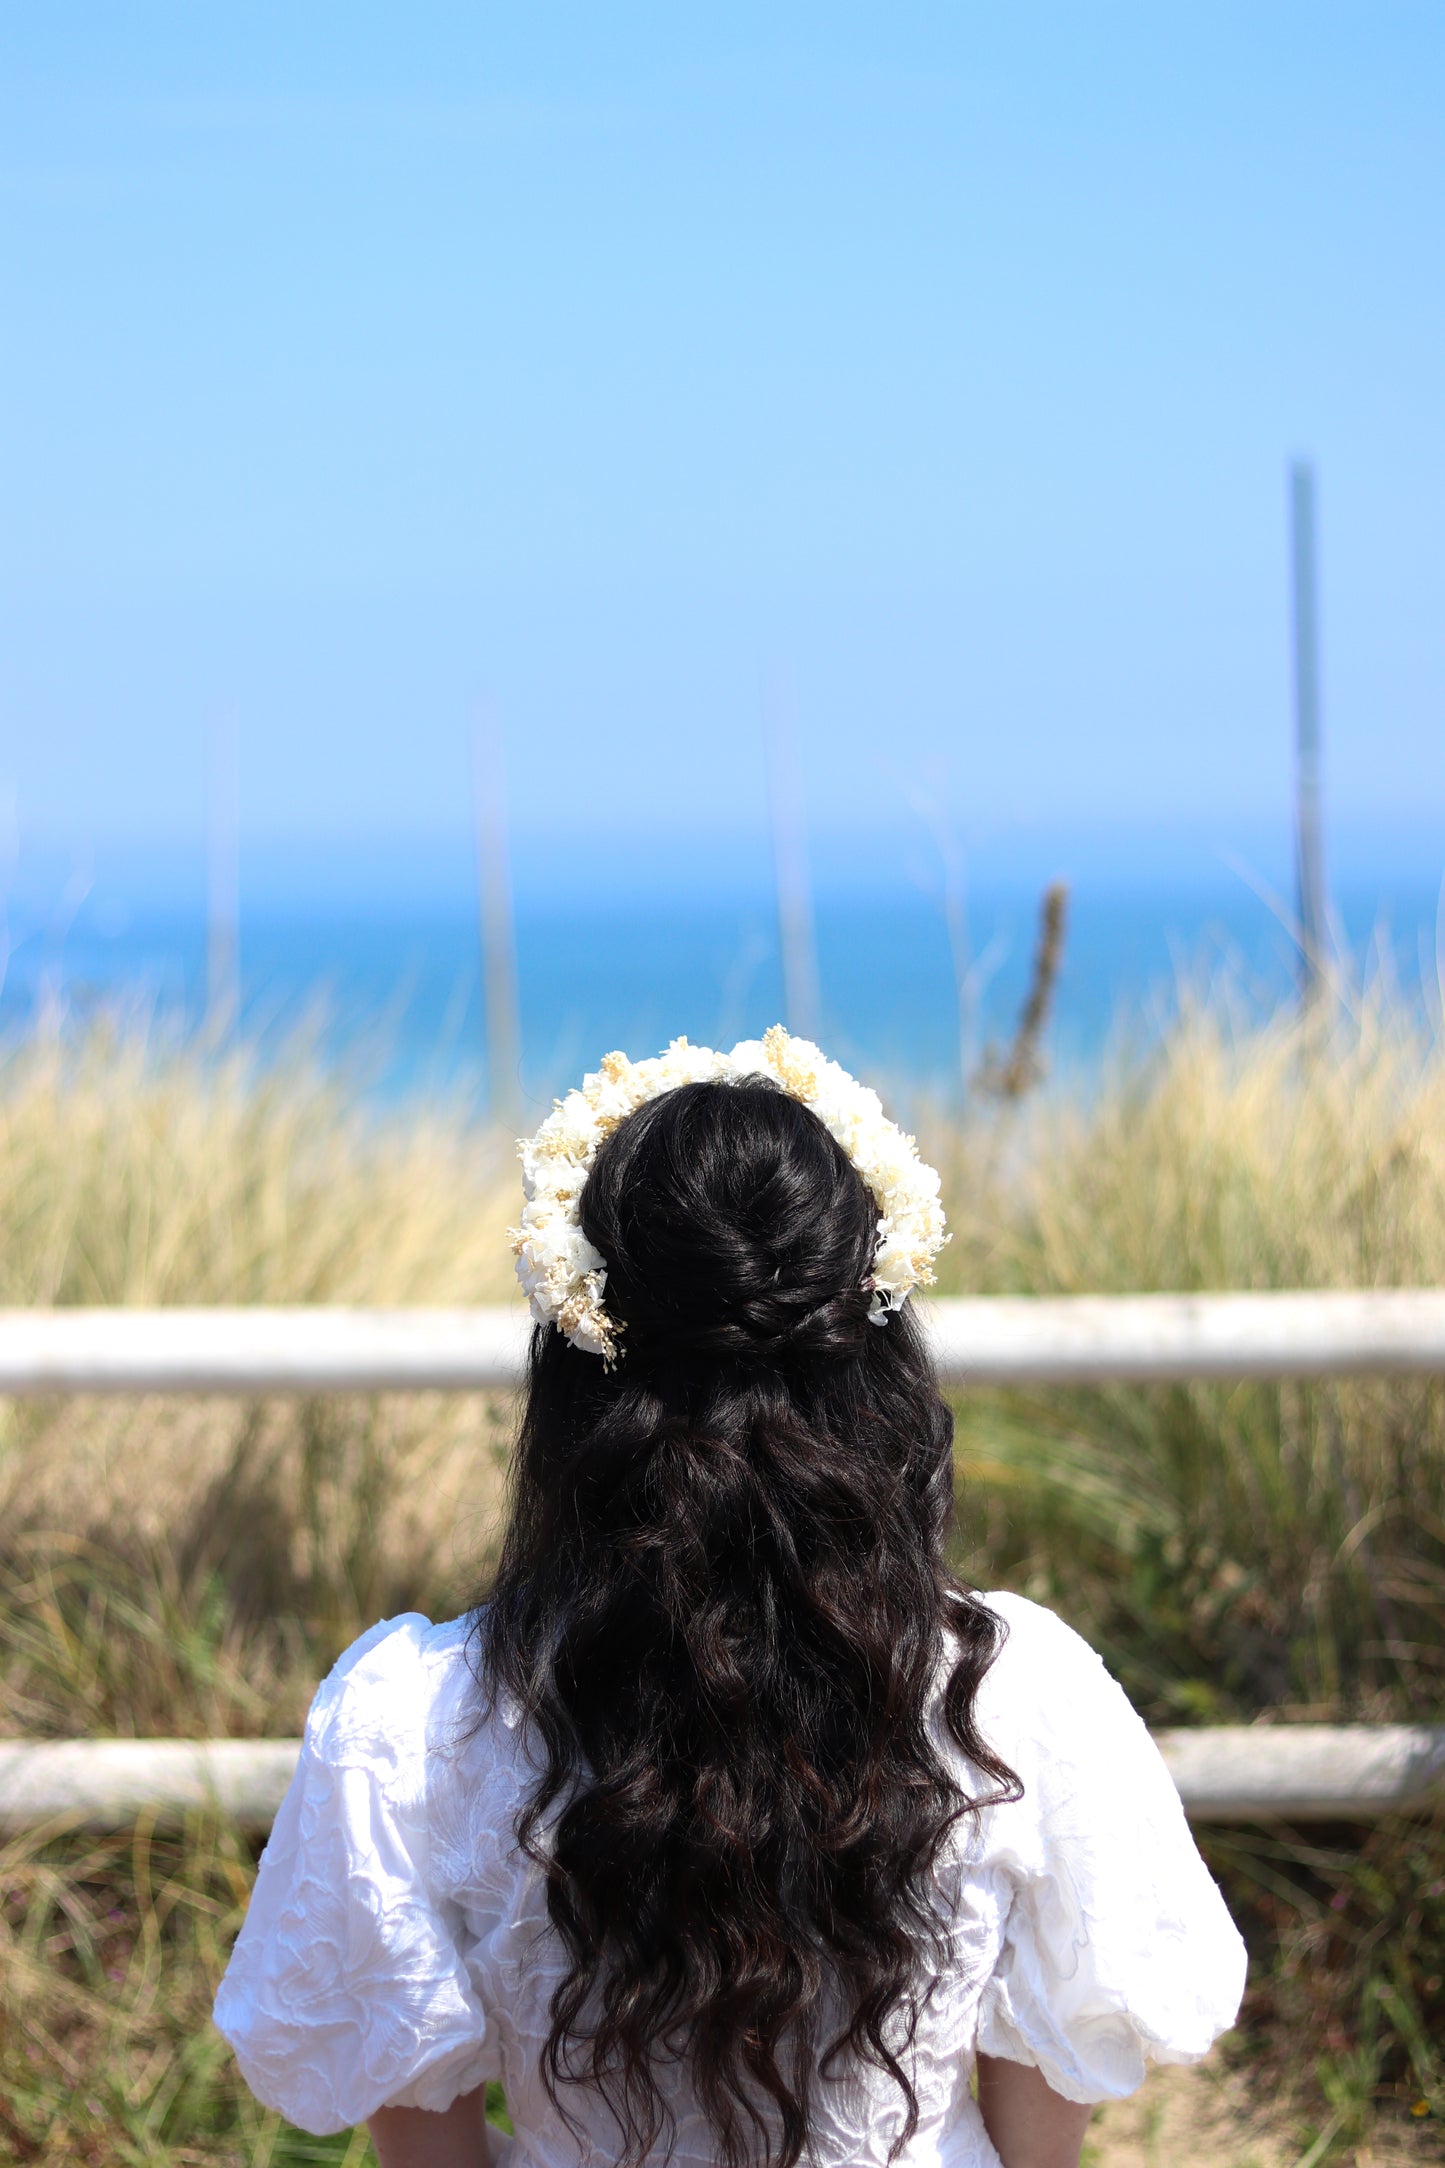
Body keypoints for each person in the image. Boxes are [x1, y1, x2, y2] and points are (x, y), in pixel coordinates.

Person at [215, 1030, 1246, 2168]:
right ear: (875, 1347)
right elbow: (1039, 2121)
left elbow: (423, 2138)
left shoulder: (408, 1720)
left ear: (575, 1356)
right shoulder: (1016, 1687)